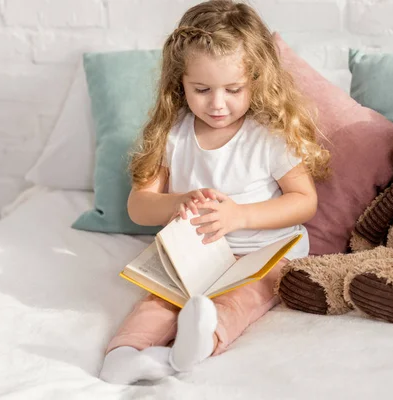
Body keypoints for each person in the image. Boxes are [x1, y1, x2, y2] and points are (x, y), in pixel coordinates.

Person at [99, 0, 329, 385]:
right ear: (181, 83)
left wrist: (240, 216)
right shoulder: (172, 134)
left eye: (233, 89)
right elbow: (139, 206)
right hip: (195, 256)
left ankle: (200, 340)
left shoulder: (268, 137)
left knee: (243, 299)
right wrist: (177, 202)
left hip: (260, 254)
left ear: (256, 80)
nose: (218, 104)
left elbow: (304, 201)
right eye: (202, 89)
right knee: (157, 301)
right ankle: (124, 355)